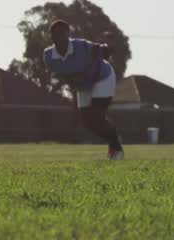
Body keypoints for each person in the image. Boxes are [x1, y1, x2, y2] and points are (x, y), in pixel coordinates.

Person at [43, 20, 124, 160]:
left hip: (102, 78)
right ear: (51, 37)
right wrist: (71, 82)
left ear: (68, 34)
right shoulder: (48, 56)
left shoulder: (81, 46)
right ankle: (113, 137)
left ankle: (116, 148)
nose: (60, 37)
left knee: (96, 116)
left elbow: (104, 52)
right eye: (56, 34)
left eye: (63, 33)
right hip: (83, 86)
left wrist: (109, 44)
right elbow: (60, 73)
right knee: (87, 123)